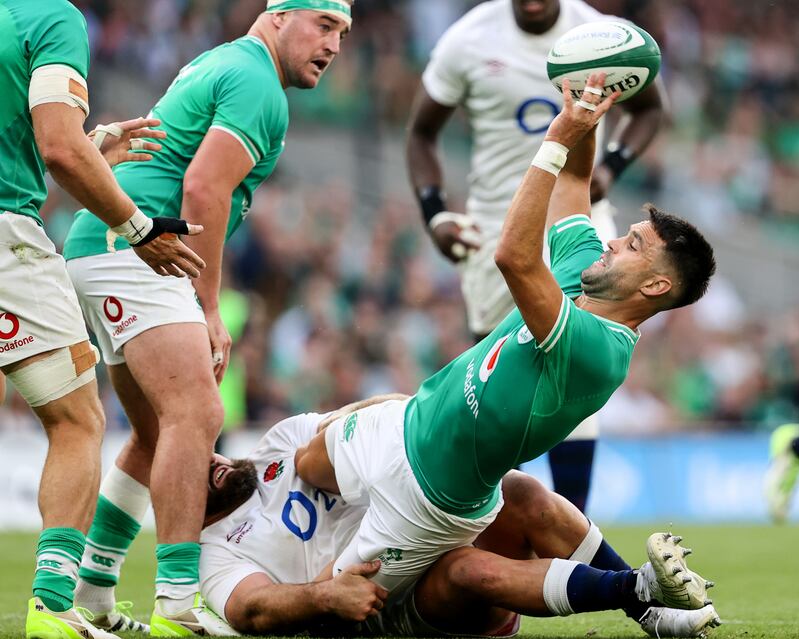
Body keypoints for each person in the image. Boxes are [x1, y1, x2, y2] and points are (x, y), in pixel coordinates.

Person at [294, 73, 716, 600]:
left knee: (321, 608)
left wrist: (558, 138)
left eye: (632, 245)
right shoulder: (584, 268)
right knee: (303, 462)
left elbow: (512, 257)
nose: (611, 240)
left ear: (656, 285)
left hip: (428, 500)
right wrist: (588, 117)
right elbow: (572, 186)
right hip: (402, 424)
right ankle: (648, 602)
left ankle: (635, 595)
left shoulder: (597, 349)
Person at [64, 1, 354, 634]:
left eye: (344, 33)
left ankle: (93, 594)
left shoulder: (225, 62)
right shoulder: (258, 84)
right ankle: (175, 605)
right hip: (140, 249)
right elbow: (203, 189)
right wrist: (209, 302)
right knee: (197, 413)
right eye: (324, 25)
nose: (334, 45)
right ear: (278, 17)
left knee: (151, 434)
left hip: (105, 242)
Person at [406, 0, 666, 513]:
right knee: (493, 371)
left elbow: (652, 108)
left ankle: (572, 532)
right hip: (498, 220)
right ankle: (500, 526)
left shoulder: (602, 35)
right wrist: (435, 212)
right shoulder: (467, 40)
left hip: (578, 214)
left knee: (577, 364)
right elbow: (421, 133)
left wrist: (610, 167)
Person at [0, 2, 207, 638]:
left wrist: (93, 151)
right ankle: (55, 607)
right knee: (77, 422)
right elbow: (56, 147)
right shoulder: (50, 17)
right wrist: (136, 226)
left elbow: (50, 150)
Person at [194, 399, 720, 638]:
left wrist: (420, 419)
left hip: (425, 522)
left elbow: (365, 417)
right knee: (468, 566)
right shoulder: (217, 551)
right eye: (192, 474)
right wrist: (326, 596)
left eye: (207, 453)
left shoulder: (277, 445)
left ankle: (647, 608)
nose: (212, 463)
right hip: (384, 604)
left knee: (520, 490)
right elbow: (252, 611)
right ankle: (640, 589)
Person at [765, 423, 799, 523]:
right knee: (778, 482)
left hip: (788, 454)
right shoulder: (784, 437)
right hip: (785, 451)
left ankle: (780, 507)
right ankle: (779, 507)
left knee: (785, 484)